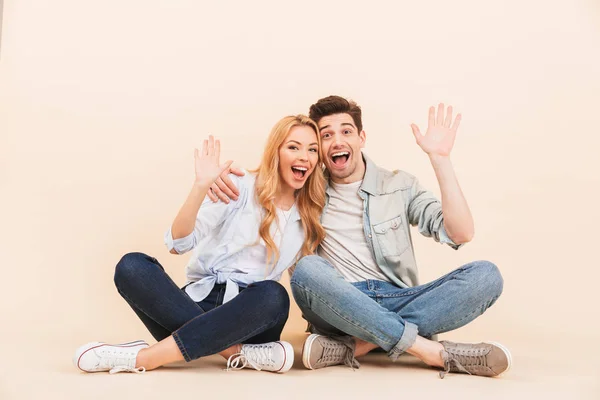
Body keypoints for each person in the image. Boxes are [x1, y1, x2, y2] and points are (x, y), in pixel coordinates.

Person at [209, 96, 511, 379]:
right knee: (307, 271)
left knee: (486, 276)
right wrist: (219, 183)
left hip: (397, 296)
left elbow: (462, 233)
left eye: (346, 131)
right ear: (318, 147)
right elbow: (264, 185)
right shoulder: (303, 189)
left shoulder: (399, 185)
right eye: (326, 135)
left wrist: (440, 159)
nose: (337, 141)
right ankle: (429, 351)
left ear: (361, 138)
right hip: (335, 304)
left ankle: (355, 345)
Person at [73, 115, 326, 374]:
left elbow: (302, 282)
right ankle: (235, 353)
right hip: (195, 304)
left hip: (252, 318)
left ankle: (143, 358)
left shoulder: (307, 216)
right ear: (276, 152)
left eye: (312, 149)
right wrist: (201, 185)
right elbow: (179, 243)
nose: (305, 156)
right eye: (293, 147)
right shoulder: (238, 186)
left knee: (275, 295)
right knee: (132, 266)